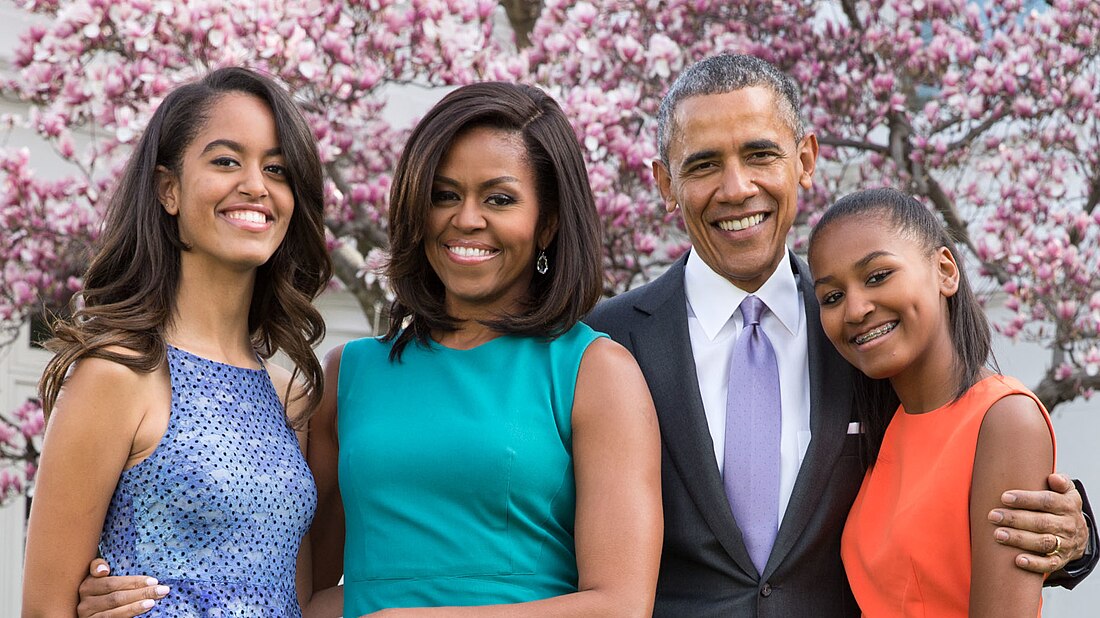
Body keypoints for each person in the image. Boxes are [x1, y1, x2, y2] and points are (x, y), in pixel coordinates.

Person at [584, 53, 1095, 616]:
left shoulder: (865, 330)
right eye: (704, 165)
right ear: (665, 184)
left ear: (804, 160)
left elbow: (954, 447)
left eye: (760, 155)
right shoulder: (608, 343)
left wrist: (1075, 537)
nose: (736, 188)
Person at [302, 81, 662, 616]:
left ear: (549, 224)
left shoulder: (594, 371)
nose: (466, 219)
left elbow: (620, 606)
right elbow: (297, 593)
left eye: (499, 198)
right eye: (444, 195)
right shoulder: (350, 373)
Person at [22, 67, 333, 616]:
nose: (256, 185)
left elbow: (298, 600)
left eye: (277, 168)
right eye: (225, 161)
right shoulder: (117, 374)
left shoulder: (293, 399)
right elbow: (44, 609)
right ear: (169, 189)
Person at [807, 187, 1056, 615]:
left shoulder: (1005, 419)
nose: (855, 309)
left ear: (945, 270)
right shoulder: (885, 427)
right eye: (832, 297)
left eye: (877, 276)